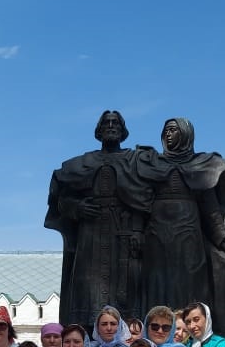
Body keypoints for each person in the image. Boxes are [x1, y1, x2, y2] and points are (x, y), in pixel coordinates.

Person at [136, 117, 225, 342]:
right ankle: (155, 340)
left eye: (173, 130)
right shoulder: (152, 164)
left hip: (188, 237)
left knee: (191, 289)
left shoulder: (201, 166)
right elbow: (138, 203)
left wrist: (222, 237)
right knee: (157, 287)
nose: (168, 135)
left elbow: (210, 210)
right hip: (157, 237)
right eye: (166, 131)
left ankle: (188, 340)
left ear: (186, 134)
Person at [45, 110, 151, 328]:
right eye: (106, 123)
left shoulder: (133, 161)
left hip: (123, 232)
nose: (111, 126)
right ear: (99, 130)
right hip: (90, 233)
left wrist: (138, 231)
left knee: (126, 287)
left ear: (123, 130)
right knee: (88, 289)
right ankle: (85, 332)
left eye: (115, 123)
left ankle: (126, 334)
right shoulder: (83, 163)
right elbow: (61, 200)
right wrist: (77, 207)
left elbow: (143, 199)